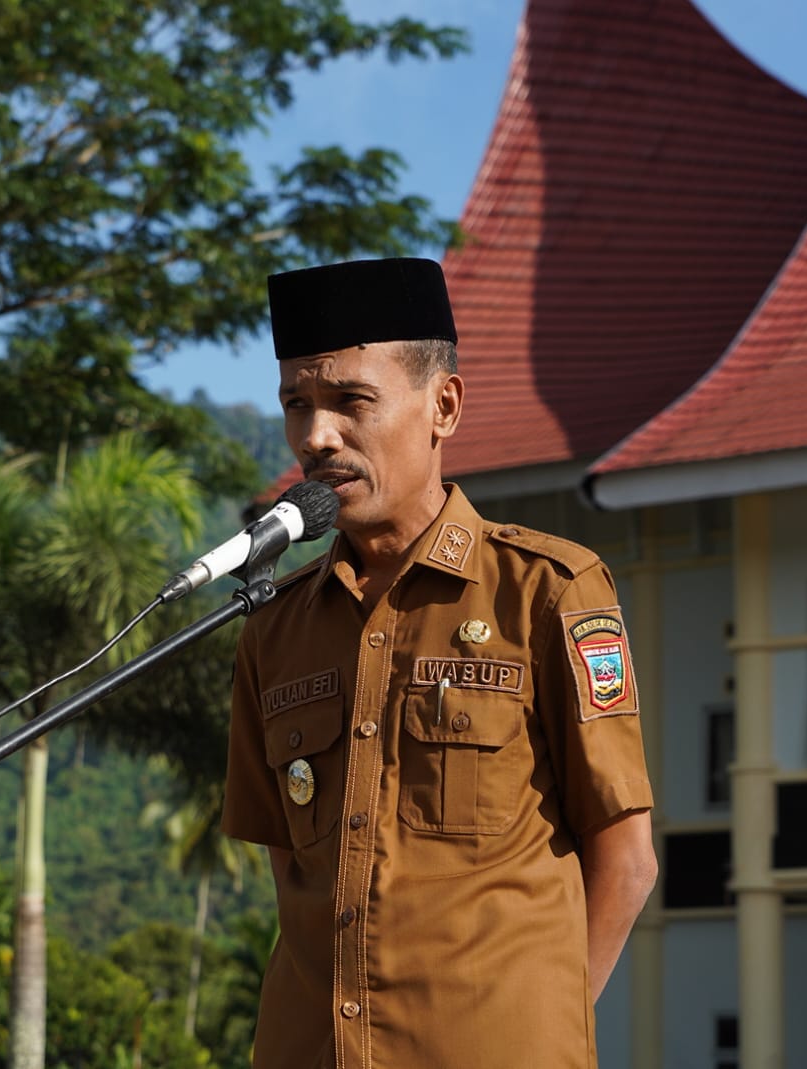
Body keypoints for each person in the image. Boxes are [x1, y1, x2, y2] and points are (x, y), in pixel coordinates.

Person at [221, 257, 657, 1068]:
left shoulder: (548, 593)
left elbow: (626, 862)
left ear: (443, 406)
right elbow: (292, 872)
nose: (317, 436)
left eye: (352, 401)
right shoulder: (274, 630)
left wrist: (537, 1034)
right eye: (296, 405)